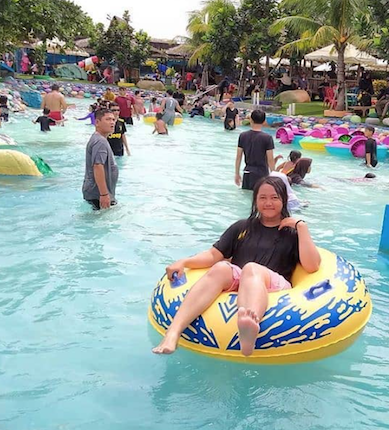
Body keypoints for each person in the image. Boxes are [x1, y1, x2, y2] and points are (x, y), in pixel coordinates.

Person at [152, 176, 321, 356]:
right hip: (242, 281)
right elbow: (213, 255)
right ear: (255, 200)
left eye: (274, 197)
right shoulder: (242, 227)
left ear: (284, 200)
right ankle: (173, 333)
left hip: (276, 287)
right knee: (221, 268)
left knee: (251, 268)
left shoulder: (292, 232)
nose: (268, 203)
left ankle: (249, 324)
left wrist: (301, 226)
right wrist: (184, 262)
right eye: (262, 198)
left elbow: (312, 266)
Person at [82, 108, 119, 210]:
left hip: (98, 193)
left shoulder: (99, 139)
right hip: (98, 194)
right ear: (97, 122)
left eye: (113, 119)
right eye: (108, 119)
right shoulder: (100, 141)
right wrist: (104, 194)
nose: (112, 122)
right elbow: (98, 166)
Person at [235, 109, 275, 190]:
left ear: (251, 120)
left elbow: (238, 157)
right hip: (262, 174)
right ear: (264, 121)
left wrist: (237, 173)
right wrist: (274, 176)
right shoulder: (267, 138)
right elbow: (270, 159)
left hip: (247, 172)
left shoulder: (243, 136)